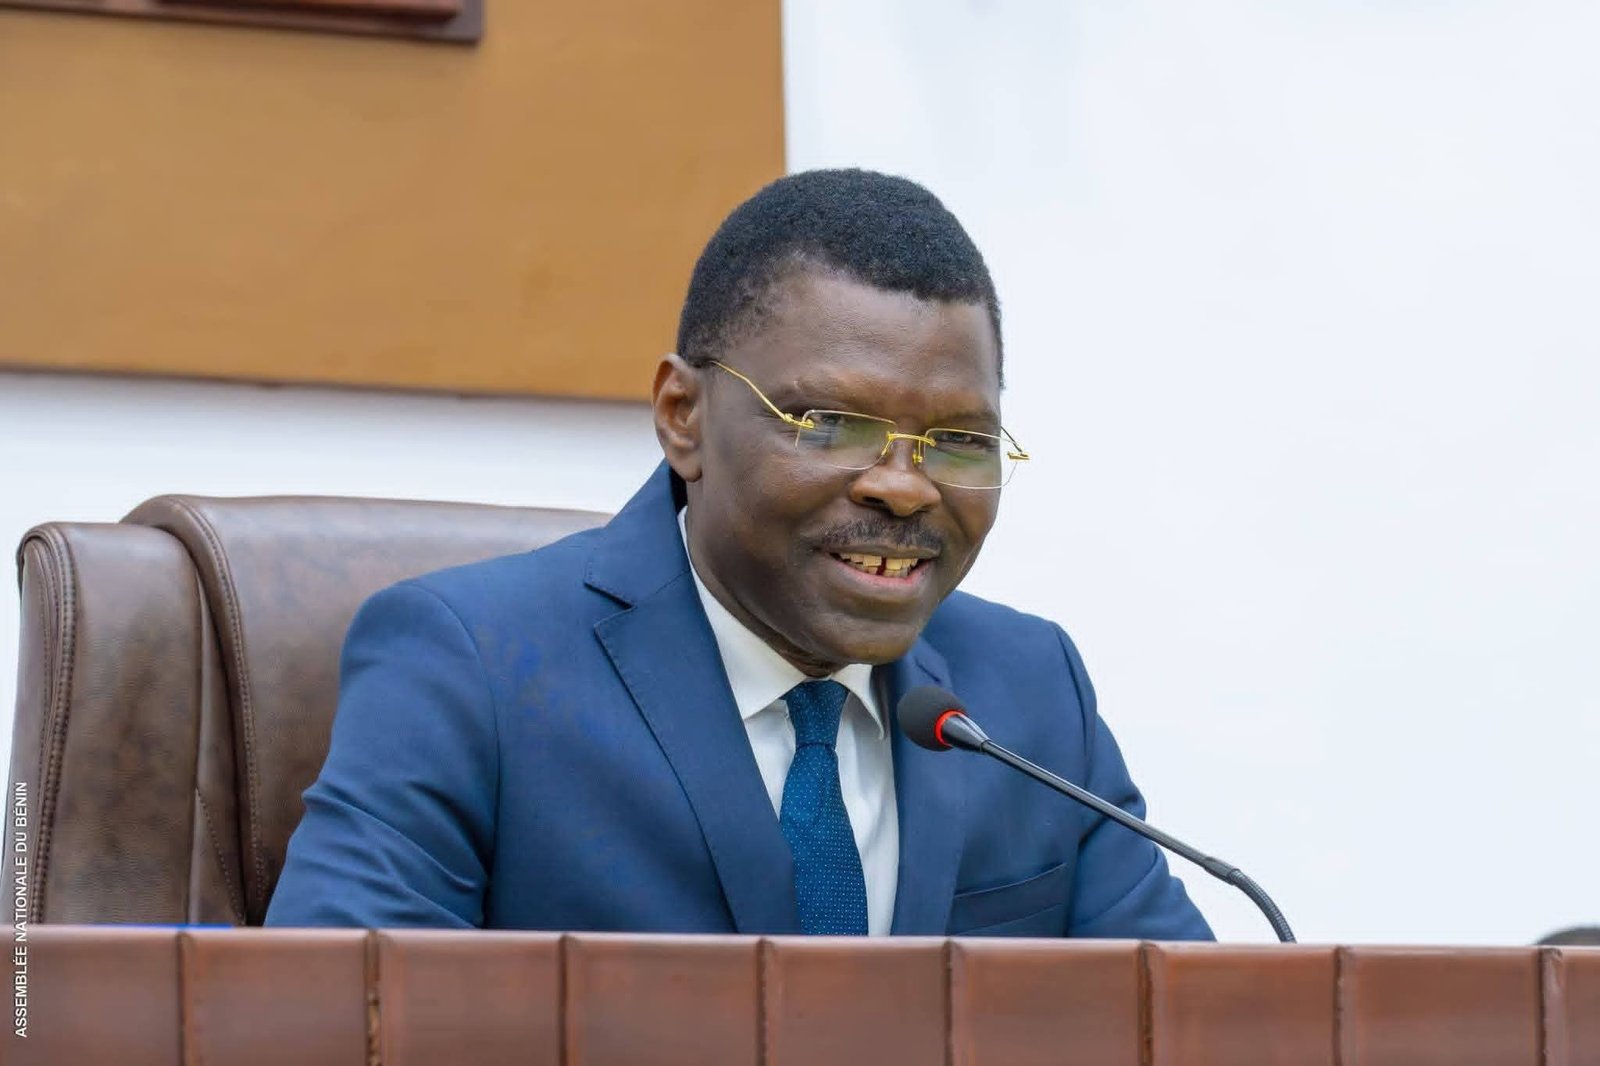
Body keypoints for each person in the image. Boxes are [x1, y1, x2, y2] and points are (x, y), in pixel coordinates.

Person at [265, 168, 1212, 938]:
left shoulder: (1030, 691)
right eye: (830, 423)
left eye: (960, 440)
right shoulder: (471, 669)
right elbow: (337, 1020)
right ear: (683, 416)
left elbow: (1177, 1022)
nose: (905, 486)